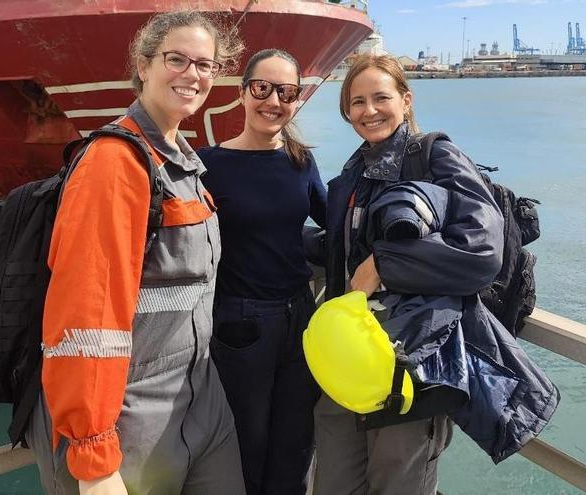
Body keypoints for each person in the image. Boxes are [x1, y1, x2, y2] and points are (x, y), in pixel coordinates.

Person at [25, 11, 246, 495]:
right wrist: (94, 455)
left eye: (205, 65)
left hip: (198, 396)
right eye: (176, 59)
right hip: (129, 411)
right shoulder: (115, 163)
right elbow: (86, 315)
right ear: (143, 65)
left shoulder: (184, 162)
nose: (192, 74)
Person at [312, 55, 505, 494]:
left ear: (406, 99)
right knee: (333, 483)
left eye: (381, 97)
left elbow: (482, 251)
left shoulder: (435, 156)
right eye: (357, 102)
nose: (369, 110)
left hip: (411, 363)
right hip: (350, 359)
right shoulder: (351, 175)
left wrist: (382, 263)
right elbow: (340, 249)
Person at [197, 48, 326, 495]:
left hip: (300, 316)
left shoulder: (300, 162)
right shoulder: (208, 165)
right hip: (241, 322)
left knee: (296, 441)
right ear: (242, 93)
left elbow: (337, 222)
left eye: (287, 91)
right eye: (262, 88)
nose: (274, 100)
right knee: (245, 443)